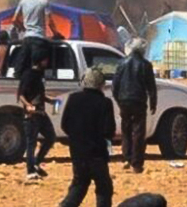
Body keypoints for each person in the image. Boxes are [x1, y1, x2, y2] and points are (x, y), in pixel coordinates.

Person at [60, 68, 116, 207]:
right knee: (104, 188)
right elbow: (108, 130)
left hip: (77, 152)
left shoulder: (73, 98)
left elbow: (64, 124)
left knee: (79, 185)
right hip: (97, 153)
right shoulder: (105, 103)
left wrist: (77, 137)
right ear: (101, 84)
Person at [112, 38, 157, 174]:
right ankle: (136, 164)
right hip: (139, 101)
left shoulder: (121, 63)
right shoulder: (146, 65)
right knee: (138, 132)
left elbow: (115, 85)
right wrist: (153, 102)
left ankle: (127, 157)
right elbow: (151, 87)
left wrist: (118, 100)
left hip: (124, 101)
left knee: (126, 129)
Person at [18, 51, 56, 181]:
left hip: (41, 113)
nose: (47, 62)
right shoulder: (28, 75)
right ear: (39, 60)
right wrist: (28, 106)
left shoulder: (40, 75)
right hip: (31, 115)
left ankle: (36, 162)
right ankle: (30, 171)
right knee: (31, 143)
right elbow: (21, 95)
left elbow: (39, 94)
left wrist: (50, 100)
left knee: (51, 137)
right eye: (45, 60)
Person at [12, 0, 58, 80]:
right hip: (39, 39)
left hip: (27, 39)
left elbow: (14, 20)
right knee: (37, 68)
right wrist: (56, 34)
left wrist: (23, 28)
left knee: (21, 66)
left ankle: (20, 82)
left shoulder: (23, 2)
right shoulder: (44, 3)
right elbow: (50, 22)